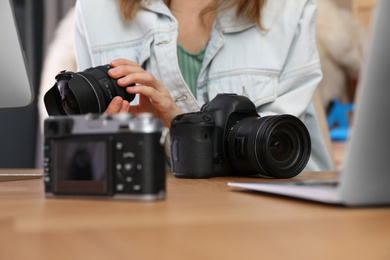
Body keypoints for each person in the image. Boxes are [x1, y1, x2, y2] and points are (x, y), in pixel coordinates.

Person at [74, 0, 333, 171]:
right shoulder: (94, 8)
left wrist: (180, 129)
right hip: (148, 217)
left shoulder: (289, 7)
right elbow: (85, 148)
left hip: (268, 216)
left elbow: (278, 145)